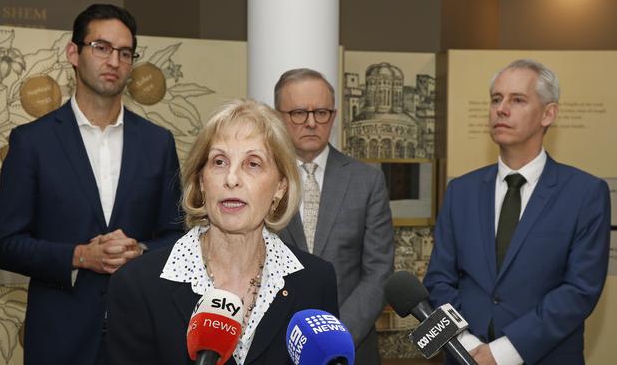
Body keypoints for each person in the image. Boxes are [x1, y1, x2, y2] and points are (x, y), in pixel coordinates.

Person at [0, 4, 184, 365]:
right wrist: (80, 256)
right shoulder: (32, 142)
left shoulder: (158, 142)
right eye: (102, 47)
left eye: (125, 53)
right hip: (60, 340)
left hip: (140, 337)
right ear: (73, 53)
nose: (114, 61)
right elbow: (4, 245)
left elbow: (178, 236)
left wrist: (139, 251)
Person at [104, 99, 339, 365]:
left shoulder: (315, 282)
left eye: (253, 164)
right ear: (201, 181)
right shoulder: (137, 285)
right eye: (219, 162)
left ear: (280, 187)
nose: (231, 178)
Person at [424, 59, 610, 365]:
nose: (501, 109)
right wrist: (469, 346)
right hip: (464, 355)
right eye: (496, 99)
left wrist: (501, 353)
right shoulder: (461, 192)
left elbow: (579, 290)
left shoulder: (585, 193)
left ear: (548, 113)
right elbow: (438, 281)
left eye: (517, 100)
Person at [275, 68, 395, 364]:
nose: (312, 122)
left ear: (335, 115)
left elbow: (379, 272)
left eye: (322, 112)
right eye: (299, 113)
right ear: (278, 117)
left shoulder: (367, 181)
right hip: (274, 344)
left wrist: (335, 337)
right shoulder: (262, 178)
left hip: (349, 346)